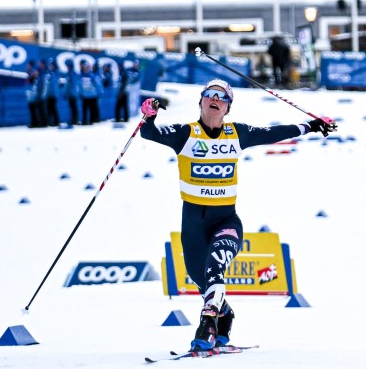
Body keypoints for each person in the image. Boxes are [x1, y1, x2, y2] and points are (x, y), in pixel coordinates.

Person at [140, 79, 335, 353]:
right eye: (210, 94)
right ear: (201, 101)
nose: (215, 99)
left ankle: (207, 325)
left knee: (215, 267)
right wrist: (149, 115)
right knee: (198, 276)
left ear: (228, 108)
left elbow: (272, 133)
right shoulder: (186, 134)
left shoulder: (236, 133)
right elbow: (150, 133)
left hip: (225, 221)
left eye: (222, 97)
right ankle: (225, 314)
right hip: (193, 222)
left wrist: (311, 126)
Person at [77, 58, 101, 125]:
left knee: (92, 109)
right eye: (85, 67)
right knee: (84, 109)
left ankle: (91, 121)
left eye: (87, 67)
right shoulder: (81, 76)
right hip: (84, 96)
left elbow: (97, 84)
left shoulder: (92, 76)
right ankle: (84, 121)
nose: (86, 69)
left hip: (92, 95)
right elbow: (79, 85)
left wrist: (99, 92)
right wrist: (80, 93)